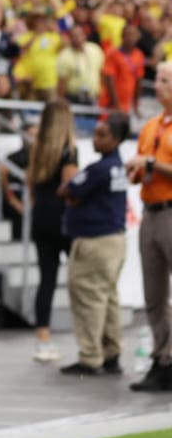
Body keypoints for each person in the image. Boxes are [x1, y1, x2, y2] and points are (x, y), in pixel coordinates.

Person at [57, 111, 130, 376]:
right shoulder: (116, 166)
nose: (95, 139)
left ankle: (90, 356)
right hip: (114, 239)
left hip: (96, 241)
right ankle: (112, 352)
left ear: (117, 139)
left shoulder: (100, 169)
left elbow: (67, 190)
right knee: (107, 297)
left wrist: (71, 194)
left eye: (102, 135)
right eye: (95, 133)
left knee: (88, 297)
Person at [123, 61, 172, 392]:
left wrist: (152, 163)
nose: (158, 86)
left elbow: (153, 163)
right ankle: (163, 357)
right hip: (151, 210)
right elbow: (142, 167)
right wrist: (137, 171)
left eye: (165, 80)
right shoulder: (150, 126)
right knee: (153, 293)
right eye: (157, 79)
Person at [26, 99, 79, 363]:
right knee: (80, 279)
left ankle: (43, 340)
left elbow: (31, 187)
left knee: (46, 279)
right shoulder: (69, 151)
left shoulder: (38, 149)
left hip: (41, 218)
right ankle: (87, 336)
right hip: (64, 219)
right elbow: (70, 189)